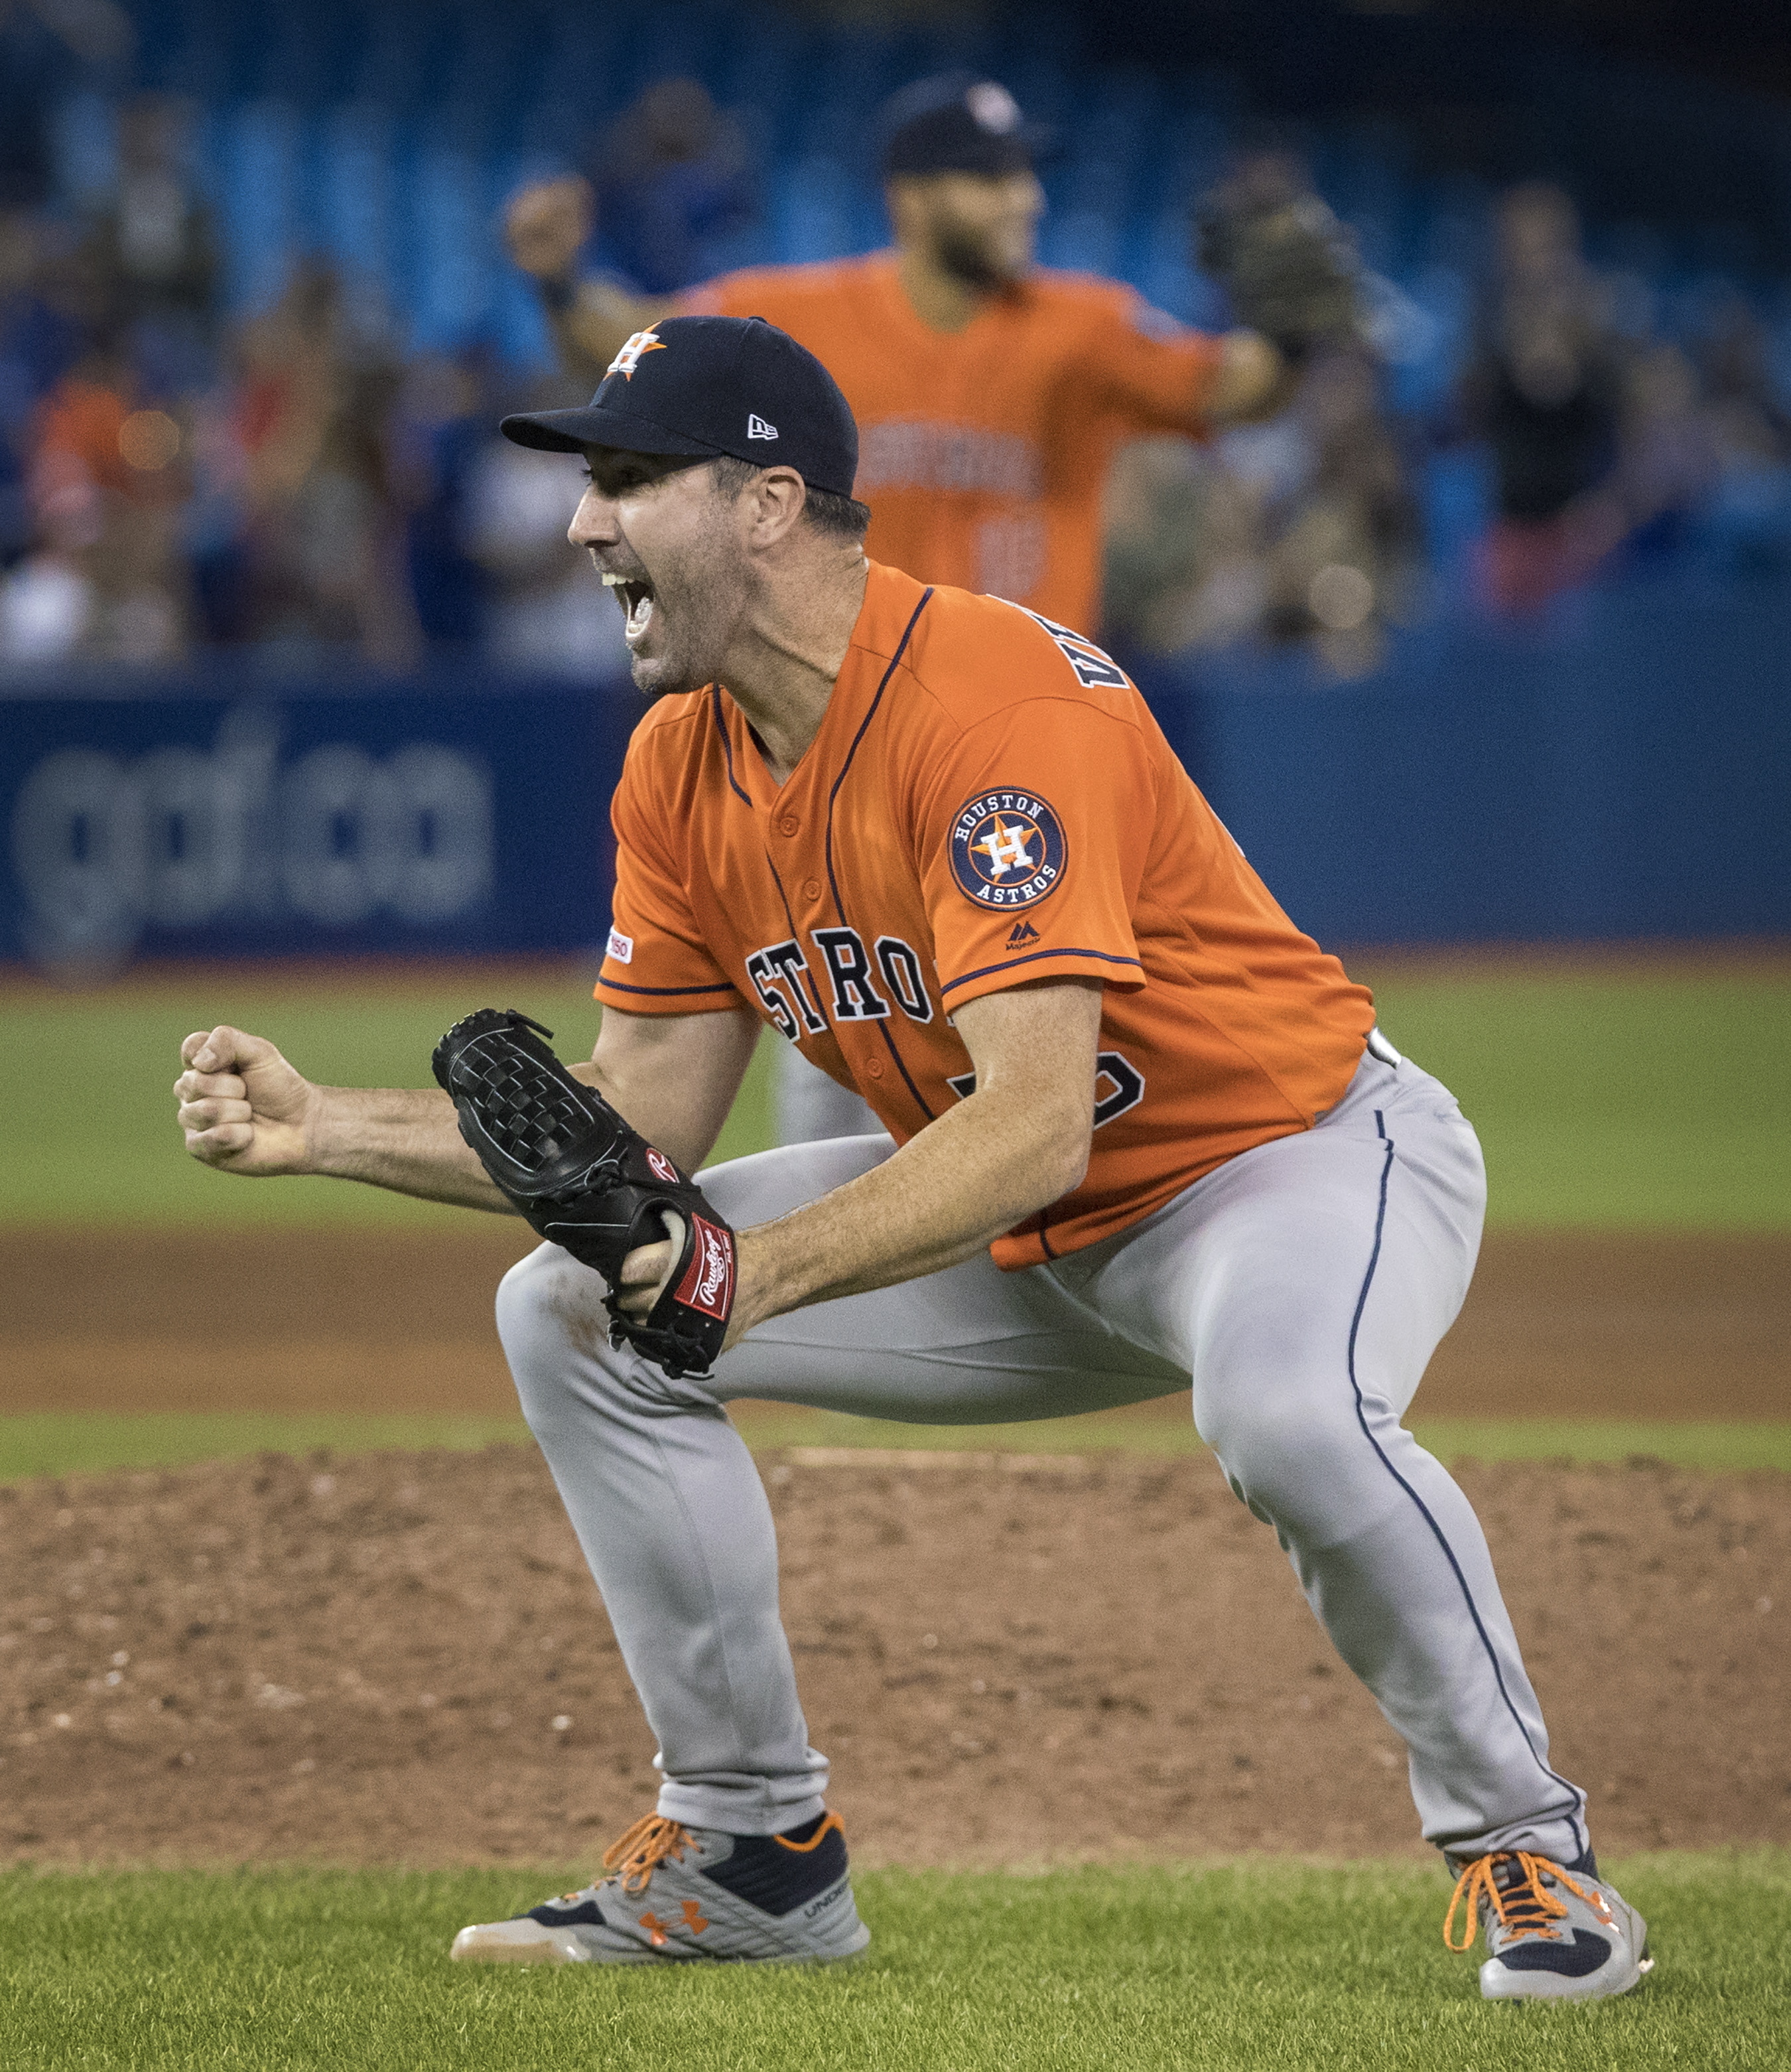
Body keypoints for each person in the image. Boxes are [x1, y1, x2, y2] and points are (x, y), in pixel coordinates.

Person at [172, 316, 1651, 2001]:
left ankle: (1530, 1846)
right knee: (571, 1310)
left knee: (1289, 1413)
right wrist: (326, 1127)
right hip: (1037, 1237)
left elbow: (1028, 1116)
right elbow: (636, 1123)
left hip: (1283, 1162)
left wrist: (754, 1275)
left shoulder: (994, 698)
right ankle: (752, 1852)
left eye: (630, 478)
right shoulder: (680, 762)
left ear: (766, 504)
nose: (584, 525)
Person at [504, 72, 1311, 1148]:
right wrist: (561, 284)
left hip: (1018, 738)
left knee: (1067, 1094)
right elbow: (640, 355)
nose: (1022, 197)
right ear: (913, 198)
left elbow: (1238, 387)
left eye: (1026, 174)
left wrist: (1291, 333)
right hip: (845, 735)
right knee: (837, 1109)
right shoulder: (807, 320)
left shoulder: (1081, 329)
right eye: (989, 177)